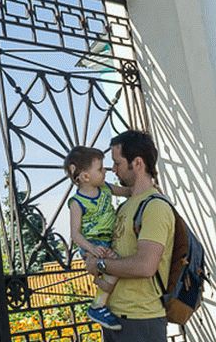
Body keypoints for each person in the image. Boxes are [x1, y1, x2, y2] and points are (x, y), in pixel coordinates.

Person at [85, 130, 174, 342]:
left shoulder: (155, 207)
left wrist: (101, 264)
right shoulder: (126, 206)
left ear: (137, 163)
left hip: (141, 320)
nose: (113, 169)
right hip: (116, 317)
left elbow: (145, 266)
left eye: (118, 163)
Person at [64, 145, 133, 330]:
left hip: (110, 240)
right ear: (86, 176)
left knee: (116, 267)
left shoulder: (105, 188)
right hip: (93, 244)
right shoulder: (77, 203)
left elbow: (127, 192)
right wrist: (91, 249)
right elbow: (75, 234)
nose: (105, 171)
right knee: (117, 265)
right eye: (100, 168)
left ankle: (101, 299)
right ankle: (97, 305)